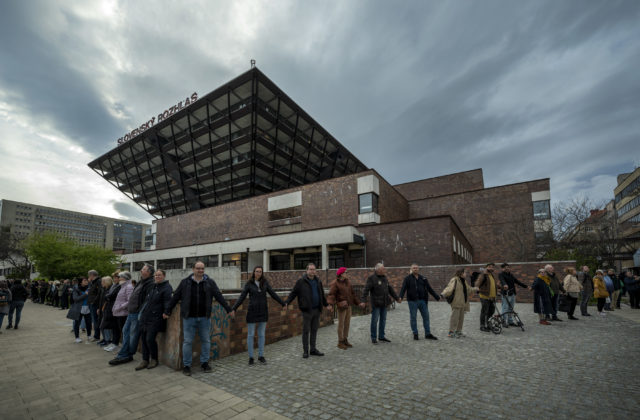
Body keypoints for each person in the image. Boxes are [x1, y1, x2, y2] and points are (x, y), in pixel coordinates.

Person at [164, 261, 235, 376]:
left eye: (202, 268)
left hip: (204, 318)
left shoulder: (210, 282)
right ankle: (187, 365)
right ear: (193, 269)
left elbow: (218, 296)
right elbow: (175, 297)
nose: (200, 271)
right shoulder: (185, 282)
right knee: (187, 341)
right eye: (198, 268)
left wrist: (228, 309)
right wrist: (167, 310)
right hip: (189, 318)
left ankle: (204, 363)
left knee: (206, 341)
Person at [232, 266, 285, 364]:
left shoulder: (265, 283)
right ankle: (251, 357)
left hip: (263, 311)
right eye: (257, 271)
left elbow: (273, 294)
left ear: (262, 273)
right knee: (251, 334)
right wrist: (234, 308)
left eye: (260, 272)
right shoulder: (249, 284)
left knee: (261, 335)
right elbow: (242, 297)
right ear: (253, 272)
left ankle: (261, 356)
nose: (258, 273)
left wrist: (282, 303)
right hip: (252, 311)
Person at [109, 265, 154, 365]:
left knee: (132, 335)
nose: (141, 271)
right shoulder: (141, 281)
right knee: (126, 331)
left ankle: (127, 354)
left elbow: (147, 300)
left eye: (143, 269)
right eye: (141, 269)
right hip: (131, 312)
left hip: (137, 313)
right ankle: (124, 353)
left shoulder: (150, 283)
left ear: (149, 272)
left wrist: (140, 312)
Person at [284, 263, 331, 358]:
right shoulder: (301, 281)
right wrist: (287, 302)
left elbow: (321, 294)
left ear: (315, 271)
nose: (312, 271)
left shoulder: (318, 281)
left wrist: (326, 304)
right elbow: (293, 293)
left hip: (317, 309)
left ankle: (313, 349)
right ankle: (305, 351)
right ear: (307, 270)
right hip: (307, 310)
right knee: (306, 331)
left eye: (314, 269)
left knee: (314, 330)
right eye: (310, 269)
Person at [136, 269, 173, 371]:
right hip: (146, 317)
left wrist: (167, 312)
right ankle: (145, 360)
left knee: (150, 339)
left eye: (159, 275)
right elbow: (146, 301)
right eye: (156, 275)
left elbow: (167, 301)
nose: (157, 277)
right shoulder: (153, 286)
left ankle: (154, 359)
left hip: (156, 318)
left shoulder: (166, 287)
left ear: (164, 276)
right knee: (143, 339)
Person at [361, 263, 401, 344]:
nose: (384, 270)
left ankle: (381, 336)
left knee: (383, 320)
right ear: (378, 270)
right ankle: (373, 337)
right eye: (383, 269)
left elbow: (390, 289)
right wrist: (363, 301)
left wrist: (397, 298)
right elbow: (366, 290)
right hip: (376, 304)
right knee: (374, 321)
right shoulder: (371, 278)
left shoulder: (384, 278)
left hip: (384, 303)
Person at [399, 263, 440, 340]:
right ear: (411, 269)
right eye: (414, 268)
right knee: (413, 318)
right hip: (412, 301)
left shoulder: (423, 278)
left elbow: (429, 288)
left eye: (416, 268)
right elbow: (403, 289)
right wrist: (400, 297)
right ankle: (415, 333)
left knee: (426, 317)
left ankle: (427, 334)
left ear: (418, 269)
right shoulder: (407, 279)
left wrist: (436, 297)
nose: (415, 269)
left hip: (422, 301)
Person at [327, 267, 364, 350]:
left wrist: (358, 303)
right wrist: (330, 304)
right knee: (341, 324)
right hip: (341, 306)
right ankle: (340, 342)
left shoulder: (348, 282)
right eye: (346, 272)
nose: (347, 274)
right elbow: (331, 294)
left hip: (348, 306)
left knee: (347, 323)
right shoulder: (335, 283)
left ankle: (345, 339)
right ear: (341, 274)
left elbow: (353, 294)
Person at [441, 268, 478, 338]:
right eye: (465, 273)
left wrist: (475, 289)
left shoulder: (464, 281)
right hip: (456, 302)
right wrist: (443, 294)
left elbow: (469, 289)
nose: (466, 274)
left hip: (463, 303)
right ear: (461, 273)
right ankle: (451, 332)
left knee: (461, 319)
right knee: (454, 318)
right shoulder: (455, 280)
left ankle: (458, 331)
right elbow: (449, 288)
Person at [108, 271, 134, 353]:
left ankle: (125, 349)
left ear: (125, 278)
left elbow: (129, 300)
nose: (118, 279)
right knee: (121, 331)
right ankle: (123, 347)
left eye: (120, 277)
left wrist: (119, 307)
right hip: (118, 313)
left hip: (123, 313)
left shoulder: (129, 287)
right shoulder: (122, 286)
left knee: (124, 332)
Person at [101, 273, 122, 351]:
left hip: (116, 309)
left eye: (117, 278)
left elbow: (111, 296)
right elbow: (107, 296)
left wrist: (108, 296)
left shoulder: (119, 286)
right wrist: (108, 296)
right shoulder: (114, 286)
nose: (115, 279)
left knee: (116, 327)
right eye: (114, 278)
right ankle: (113, 343)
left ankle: (115, 343)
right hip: (111, 308)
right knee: (113, 327)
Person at [67, 277, 92, 343]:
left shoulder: (89, 288)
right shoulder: (76, 289)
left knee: (88, 323)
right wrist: (85, 294)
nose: (86, 281)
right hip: (79, 308)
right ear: (81, 282)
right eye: (85, 280)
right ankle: (77, 337)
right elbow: (76, 299)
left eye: (87, 280)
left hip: (88, 308)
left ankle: (89, 335)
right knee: (77, 323)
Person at [476, 263, 500, 332]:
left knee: (491, 312)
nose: (491, 268)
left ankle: (489, 325)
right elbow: (477, 284)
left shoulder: (492, 276)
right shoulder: (483, 275)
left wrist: (499, 287)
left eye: (492, 267)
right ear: (486, 268)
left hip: (492, 297)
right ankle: (482, 326)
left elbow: (493, 285)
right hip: (485, 297)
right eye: (489, 267)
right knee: (484, 312)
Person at [97, 276, 113, 347]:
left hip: (107, 310)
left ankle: (108, 339)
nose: (101, 283)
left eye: (103, 282)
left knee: (105, 325)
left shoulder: (109, 290)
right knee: (101, 325)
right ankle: (104, 338)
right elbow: (100, 300)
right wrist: (99, 308)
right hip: (102, 309)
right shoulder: (103, 289)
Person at [87, 270, 102, 342]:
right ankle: (96, 335)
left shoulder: (98, 281)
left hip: (95, 304)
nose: (88, 277)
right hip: (92, 303)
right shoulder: (93, 282)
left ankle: (97, 336)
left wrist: (94, 302)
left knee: (95, 320)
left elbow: (99, 293)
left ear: (92, 275)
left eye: (89, 275)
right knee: (94, 320)